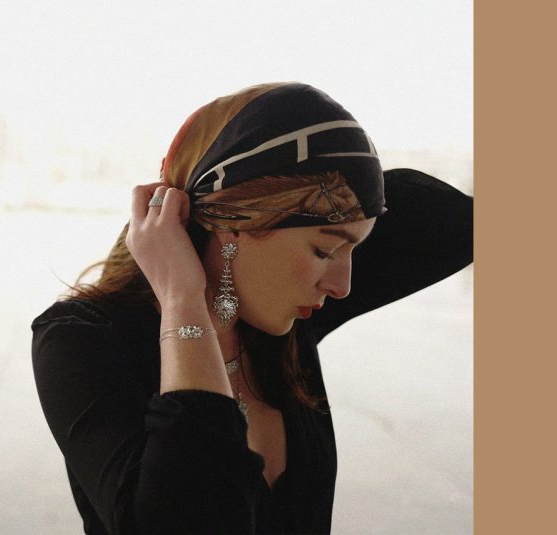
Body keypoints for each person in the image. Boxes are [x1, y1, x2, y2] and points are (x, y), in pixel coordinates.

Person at [32, 82, 473, 534]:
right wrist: (183, 300)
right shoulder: (80, 342)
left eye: (353, 251)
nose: (342, 286)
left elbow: (457, 226)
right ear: (232, 223)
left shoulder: (281, 322)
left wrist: (339, 167)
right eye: (324, 251)